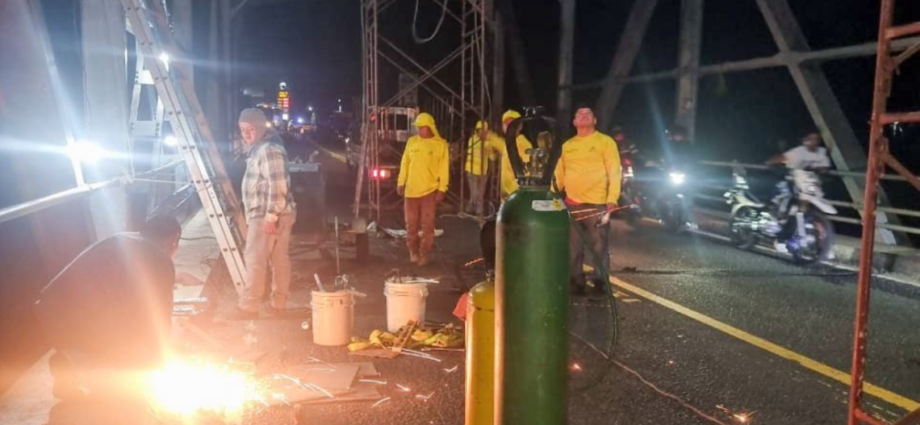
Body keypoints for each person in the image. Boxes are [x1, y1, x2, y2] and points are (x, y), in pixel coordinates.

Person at [34, 215, 182, 401]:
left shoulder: (121, 238)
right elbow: (158, 317)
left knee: (117, 327)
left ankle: (69, 362)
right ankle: (85, 370)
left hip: (51, 312)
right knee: (129, 382)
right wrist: (160, 359)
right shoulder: (160, 257)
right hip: (79, 323)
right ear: (173, 241)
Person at [232, 108, 297, 319]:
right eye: (242, 129)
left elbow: (277, 184)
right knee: (279, 260)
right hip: (276, 213)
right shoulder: (260, 148)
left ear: (260, 128)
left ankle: (248, 307)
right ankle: (279, 305)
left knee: (255, 260)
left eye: (250, 129)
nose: (246, 134)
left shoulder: (268, 150)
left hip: (266, 215)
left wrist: (270, 216)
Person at [554, 107, 621, 295]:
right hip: (572, 205)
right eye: (579, 114)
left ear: (595, 120)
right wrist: (551, 195)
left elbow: (614, 171)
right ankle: (575, 281)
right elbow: (559, 174)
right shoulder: (567, 146)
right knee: (572, 247)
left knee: (599, 246)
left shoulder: (605, 142)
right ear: (574, 122)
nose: (583, 116)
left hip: (597, 205)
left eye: (588, 114)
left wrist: (612, 198)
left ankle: (600, 282)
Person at [397, 113, 450, 266]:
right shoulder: (412, 142)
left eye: (422, 127)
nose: (419, 130)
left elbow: (443, 169)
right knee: (411, 224)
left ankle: (425, 253)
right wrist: (401, 182)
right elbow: (405, 163)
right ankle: (413, 251)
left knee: (427, 225)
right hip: (411, 192)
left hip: (429, 192)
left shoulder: (440, 145)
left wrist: (442, 189)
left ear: (430, 127)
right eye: (418, 127)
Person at [766, 132, 831, 252]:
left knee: (812, 210)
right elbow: (776, 160)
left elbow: (824, 168)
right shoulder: (798, 151)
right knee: (786, 199)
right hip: (794, 183)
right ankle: (776, 224)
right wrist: (779, 166)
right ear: (804, 140)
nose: (814, 141)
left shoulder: (821, 153)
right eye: (811, 138)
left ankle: (823, 245)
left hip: (810, 186)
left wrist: (821, 172)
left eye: (816, 139)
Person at [465, 120, 500, 215]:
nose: (482, 132)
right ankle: (471, 207)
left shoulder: (488, 143)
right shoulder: (472, 140)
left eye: (484, 131)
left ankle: (477, 210)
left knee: (480, 193)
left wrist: (495, 152)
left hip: (482, 171)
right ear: (477, 130)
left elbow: (492, 157)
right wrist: (489, 145)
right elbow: (478, 148)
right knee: (475, 193)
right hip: (471, 170)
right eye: (480, 130)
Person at [497, 110, 534, 200]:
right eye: (506, 123)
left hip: (516, 198)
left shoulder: (522, 144)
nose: (509, 127)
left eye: (512, 124)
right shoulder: (509, 143)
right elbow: (497, 142)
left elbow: (528, 172)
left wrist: (517, 193)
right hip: (507, 197)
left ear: (520, 126)